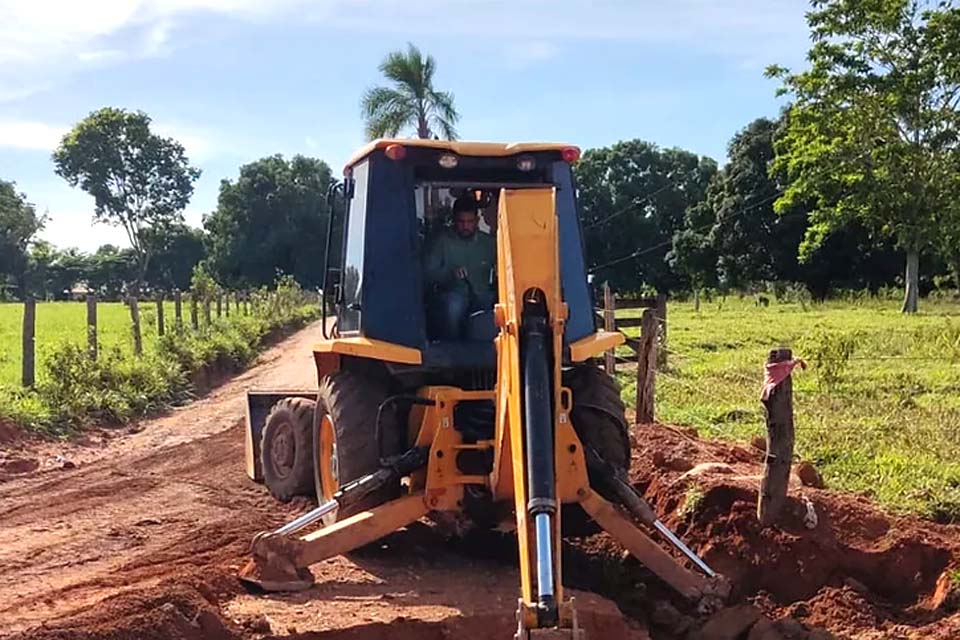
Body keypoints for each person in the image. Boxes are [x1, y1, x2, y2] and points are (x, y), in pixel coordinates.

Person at [424, 195, 497, 340]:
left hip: (482, 295)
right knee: (453, 307)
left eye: (470, 222)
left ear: (477, 220)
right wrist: (450, 274)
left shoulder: (489, 244)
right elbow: (428, 274)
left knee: (497, 310)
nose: (465, 226)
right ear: (454, 220)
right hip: (453, 294)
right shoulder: (441, 242)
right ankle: (453, 347)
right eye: (461, 222)